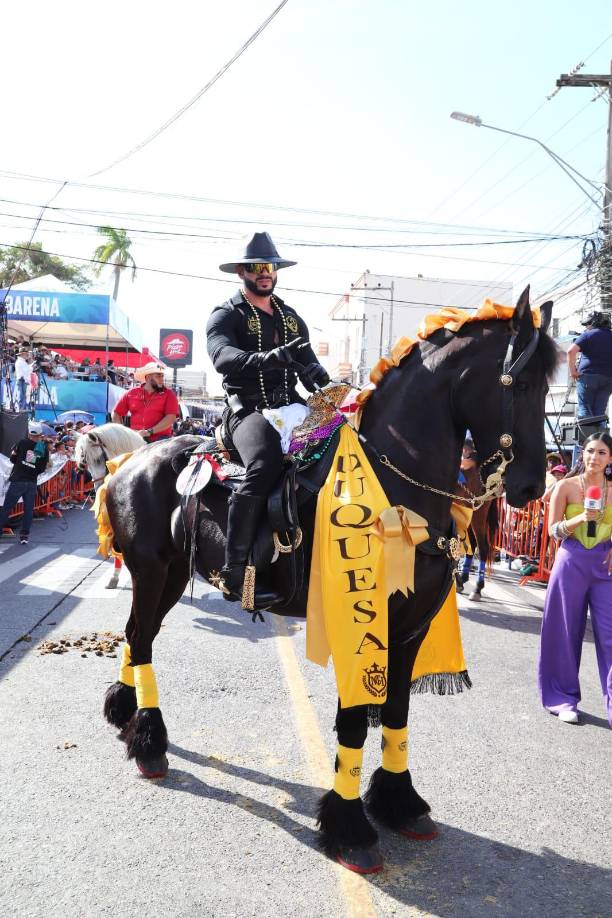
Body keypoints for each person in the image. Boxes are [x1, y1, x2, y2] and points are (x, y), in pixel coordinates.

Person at [206, 231, 330, 605]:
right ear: (242, 271)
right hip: (247, 410)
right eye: (258, 267)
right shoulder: (226, 314)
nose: (266, 273)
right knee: (265, 464)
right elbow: (222, 357)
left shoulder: (292, 319)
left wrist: (332, 386)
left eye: (271, 266)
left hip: (292, 407)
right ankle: (234, 571)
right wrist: (267, 358)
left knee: (345, 444)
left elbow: (312, 367)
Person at [538, 432, 612, 726]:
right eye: (591, 451)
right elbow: (553, 532)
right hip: (571, 560)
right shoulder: (565, 487)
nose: (595, 457)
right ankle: (562, 698)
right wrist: (580, 518)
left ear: (610, 459)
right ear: (582, 454)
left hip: (605, 567)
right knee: (565, 630)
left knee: (609, 634)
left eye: (602, 452)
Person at [0, 421, 51, 545]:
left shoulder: (22, 443)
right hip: (32, 482)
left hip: (18, 480)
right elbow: (42, 468)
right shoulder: (44, 448)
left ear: (29, 433)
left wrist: (21, 464)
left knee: (7, 507)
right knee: (28, 510)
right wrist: (32, 470)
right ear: (40, 434)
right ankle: (24, 536)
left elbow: (13, 458)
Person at [111, 362, 179, 442]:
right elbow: (116, 413)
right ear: (148, 377)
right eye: (158, 376)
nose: (161, 379)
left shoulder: (169, 394)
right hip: (136, 439)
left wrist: (149, 432)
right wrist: (122, 432)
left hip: (160, 440)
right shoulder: (131, 393)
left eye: (162, 376)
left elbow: (171, 418)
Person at [567, 311, 612, 422]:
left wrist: (573, 371)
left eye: (588, 324)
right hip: (608, 379)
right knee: (600, 413)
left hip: (588, 377)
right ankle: (600, 438)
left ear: (594, 323)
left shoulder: (587, 335)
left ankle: (586, 439)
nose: (587, 327)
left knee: (585, 410)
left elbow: (570, 351)